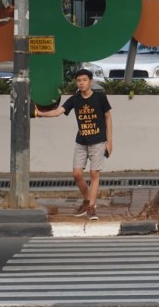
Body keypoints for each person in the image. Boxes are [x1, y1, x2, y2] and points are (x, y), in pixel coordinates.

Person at [35, 69, 113, 220]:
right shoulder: (75, 99)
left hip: (98, 141)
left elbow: (108, 118)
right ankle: (88, 200)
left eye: (84, 80)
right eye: (79, 80)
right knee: (77, 174)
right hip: (81, 141)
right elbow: (58, 112)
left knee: (94, 174)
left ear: (90, 81)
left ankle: (91, 207)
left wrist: (110, 142)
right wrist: (39, 113)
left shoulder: (100, 97)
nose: (82, 83)